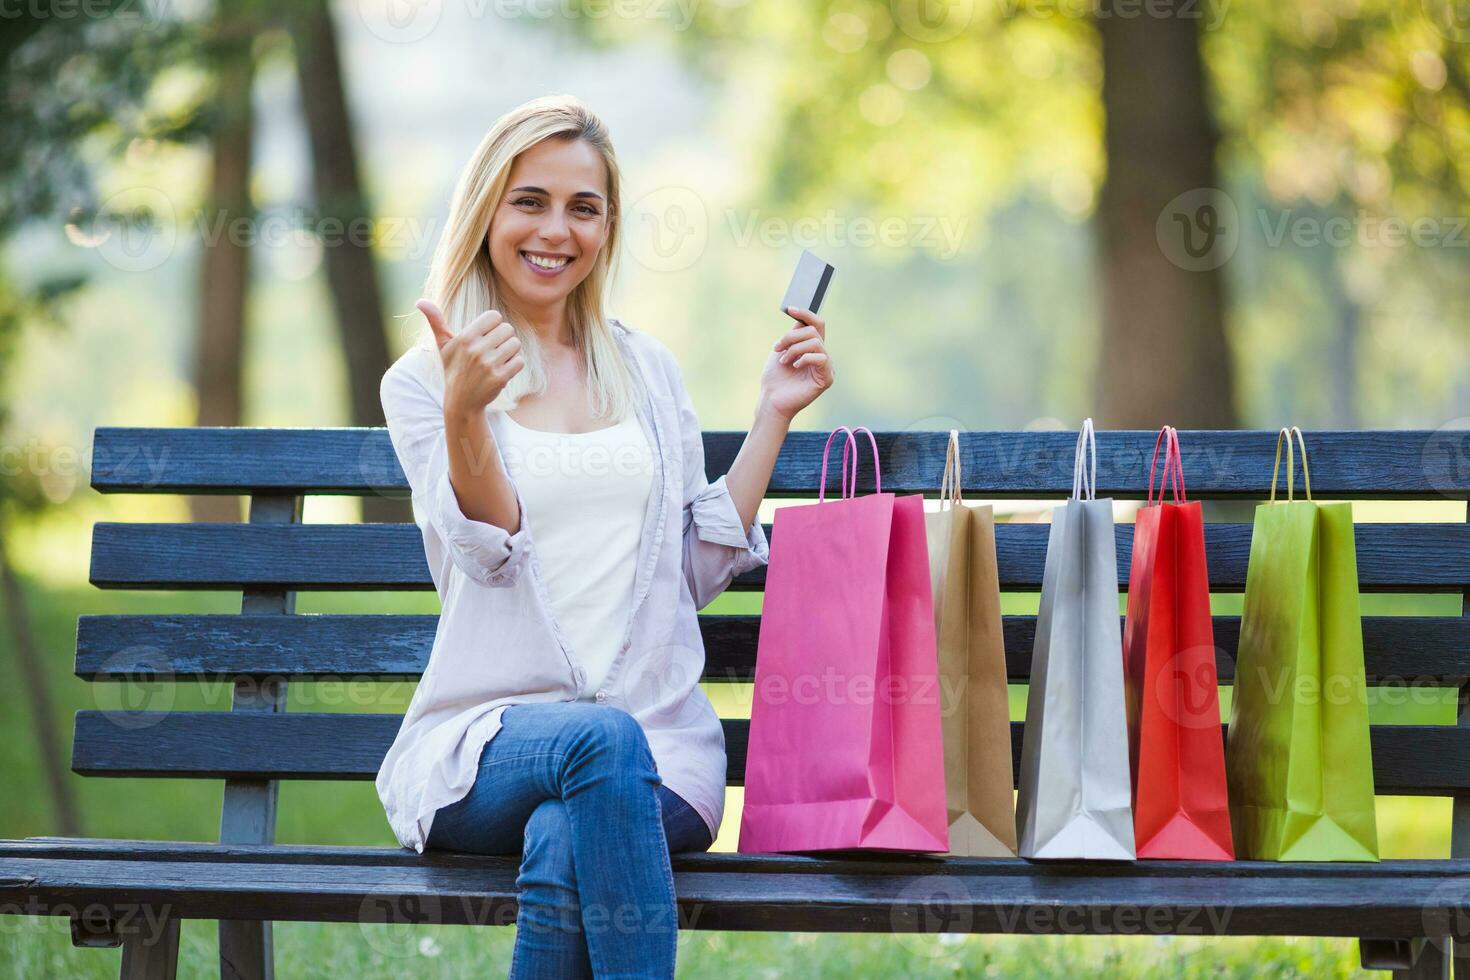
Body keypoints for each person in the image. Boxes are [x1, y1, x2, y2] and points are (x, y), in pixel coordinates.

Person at [374, 93, 835, 978]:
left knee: (565, 832)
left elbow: (692, 574)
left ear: (608, 226)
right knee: (596, 740)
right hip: (488, 744)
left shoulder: (646, 371)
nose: (556, 230)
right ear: (487, 211)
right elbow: (487, 551)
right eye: (530, 201)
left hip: (662, 754)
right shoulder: (427, 380)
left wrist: (771, 416)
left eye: (583, 208)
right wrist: (468, 412)